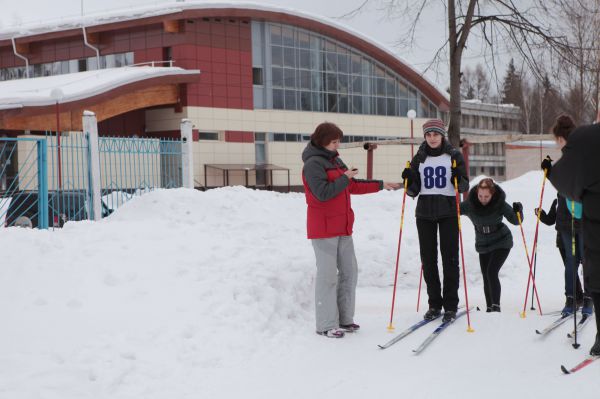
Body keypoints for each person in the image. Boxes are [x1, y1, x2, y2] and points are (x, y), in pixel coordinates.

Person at [302, 122, 399, 338]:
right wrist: (345, 177)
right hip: (323, 229)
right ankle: (326, 324)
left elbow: (351, 186)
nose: (337, 145)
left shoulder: (334, 159)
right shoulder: (313, 164)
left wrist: (381, 185)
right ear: (322, 141)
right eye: (334, 142)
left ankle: (345, 319)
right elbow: (322, 193)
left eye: (338, 141)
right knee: (328, 277)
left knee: (349, 273)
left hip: (344, 227)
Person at [402, 119, 469, 322]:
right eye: (428, 135)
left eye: (435, 134)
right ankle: (434, 304)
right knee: (428, 260)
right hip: (424, 214)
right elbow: (413, 191)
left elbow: (464, 186)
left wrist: (458, 177)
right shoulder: (419, 157)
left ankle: (450, 305)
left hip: (448, 211)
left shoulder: (454, 155)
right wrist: (408, 179)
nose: (432, 138)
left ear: (442, 136)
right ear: (425, 137)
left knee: (450, 260)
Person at [544, 119, 600, 356]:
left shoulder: (584, 138)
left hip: (594, 220)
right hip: (592, 221)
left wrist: (550, 173)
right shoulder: (586, 137)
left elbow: (567, 184)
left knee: (597, 278)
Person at [540, 115, 592, 317]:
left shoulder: (580, 158)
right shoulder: (565, 159)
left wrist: (551, 172)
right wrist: (549, 171)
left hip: (582, 218)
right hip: (565, 220)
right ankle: (571, 298)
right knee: (571, 261)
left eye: (557, 140)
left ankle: (588, 298)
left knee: (585, 260)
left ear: (561, 139)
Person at [459, 178, 522, 312]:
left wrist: (519, 211)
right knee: (485, 275)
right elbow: (455, 210)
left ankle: (496, 306)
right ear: (476, 193)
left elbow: (516, 221)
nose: (483, 199)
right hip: (482, 243)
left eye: (486, 196)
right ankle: (489, 307)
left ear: (492, 194)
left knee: (491, 272)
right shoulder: (470, 204)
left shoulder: (499, 203)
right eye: (480, 196)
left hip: (502, 241)